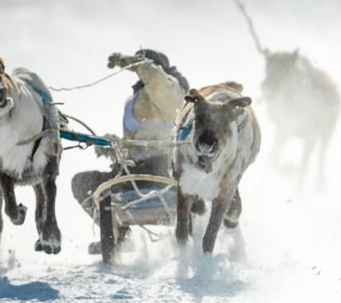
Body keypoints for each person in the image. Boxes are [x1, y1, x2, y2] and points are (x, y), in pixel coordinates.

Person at [70, 48, 241, 254]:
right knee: (82, 183)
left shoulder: (171, 91)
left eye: (143, 65)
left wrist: (129, 61)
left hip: (164, 168)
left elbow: (154, 76)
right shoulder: (138, 99)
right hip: (134, 170)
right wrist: (114, 146)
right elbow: (139, 138)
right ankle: (119, 235)